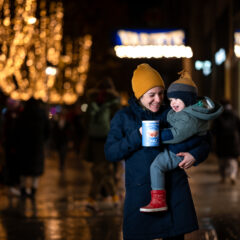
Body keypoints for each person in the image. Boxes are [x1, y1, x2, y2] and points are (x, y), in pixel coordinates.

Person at [105, 63, 211, 240]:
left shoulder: (174, 112)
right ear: (139, 95)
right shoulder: (124, 117)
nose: (158, 99)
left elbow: (205, 139)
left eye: (161, 93)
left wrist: (195, 155)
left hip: (175, 192)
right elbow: (111, 152)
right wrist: (137, 136)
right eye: (151, 95)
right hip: (142, 196)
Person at [140, 71, 223, 212]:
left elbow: (176, 134)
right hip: (179, 148)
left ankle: (158, 200)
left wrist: (153, 135)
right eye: (171, 100)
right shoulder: (189, 111)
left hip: (178, 151)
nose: (173, 104)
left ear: (188, 99)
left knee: (156, 166)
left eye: (177, 99)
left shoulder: (189, 117)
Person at [85, 76, 121, 209]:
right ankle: (111, 197)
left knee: (100, 169)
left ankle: (95, 198)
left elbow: (85, 121)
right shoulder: (114, 100)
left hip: (94, 140)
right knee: (105, 170)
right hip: (109, 139)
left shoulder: (92, 99)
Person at [16, 97, 50, 198]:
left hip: (24, 146)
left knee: (23, 169)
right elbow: (48, 129)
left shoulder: (23, 114)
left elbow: (17, 130)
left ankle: (23, 189)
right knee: (36, 170)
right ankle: (33, 190)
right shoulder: (42, 114)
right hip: (37, 146)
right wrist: (43, 140)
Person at [211, 99, 240, 185]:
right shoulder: (234, 114)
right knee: (232, 161)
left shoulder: (218, 116)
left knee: (222, 161)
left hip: (221, 142)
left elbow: (213, 131)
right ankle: (232, 175)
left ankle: (223, 177)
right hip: (233, 142)